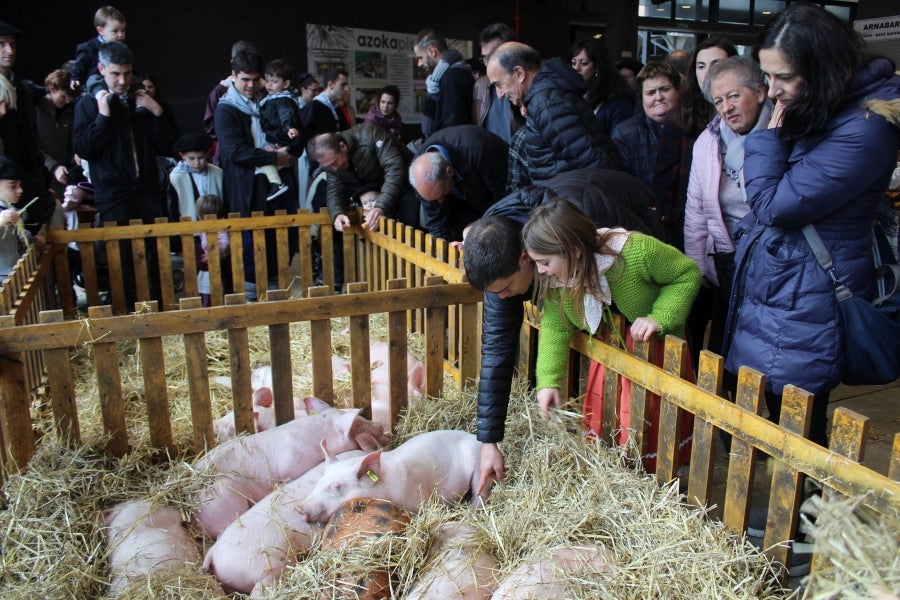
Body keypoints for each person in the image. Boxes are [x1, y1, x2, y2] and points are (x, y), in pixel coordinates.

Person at [724, 3, 900, 449]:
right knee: (774, 405)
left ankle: (801, 511)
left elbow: (774, 204)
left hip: (810, 290)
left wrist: (765, 136)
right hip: (786, 283)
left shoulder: (865, 127)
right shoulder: (827, 105)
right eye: (767, 76)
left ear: (822, 68)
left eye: (784, 77)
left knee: (799, 420)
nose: (772, 91)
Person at [462, 168, 664, 493]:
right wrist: (489, 441)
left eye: (505, 289)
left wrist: (656, 315)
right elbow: (498, 349)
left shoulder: (582, 225)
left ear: (527, 259)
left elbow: (639, 266)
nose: (501, 298)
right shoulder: (497, 254)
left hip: (641, 225)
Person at [522, 197, 700, 472]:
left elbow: (686, 274)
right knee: (609, 419)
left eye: (544, 262)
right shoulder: (559, 281)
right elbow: (556, 328)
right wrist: (548, 381)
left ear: (574, 250)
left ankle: (656, 475)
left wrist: (659, 317)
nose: (540, 270)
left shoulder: (635, 251)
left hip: (653, 352)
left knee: (649, 422)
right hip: (609, 355)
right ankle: (617, 472)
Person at [73, 41, 173, 310]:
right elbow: (83, 148)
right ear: (101, 69)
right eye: (115, 74)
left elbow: (165, 144)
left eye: (127, 73)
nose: (122, 80)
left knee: (154, 254)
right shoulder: (89, 103)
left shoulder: (139, 100)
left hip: (147, 191)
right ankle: (128, 314)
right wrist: (103, 117)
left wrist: (158, 112)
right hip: (114, 196)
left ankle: (160, 312)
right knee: (122, 259)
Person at [683, 56, 771, 360]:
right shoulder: (708, 142)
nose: (726, 107)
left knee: (766, 347)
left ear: (760, 92)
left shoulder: (783, 133)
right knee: (725, 345)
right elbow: (696, 210)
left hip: (772, 264)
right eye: (719, 100)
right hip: (728, 260)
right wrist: (697, 266)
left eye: (734, 96)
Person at [214, 50, 293, 300]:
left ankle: (271, 297)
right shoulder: (226, 109)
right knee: (248, 243)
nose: (250, 85)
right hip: (243, 188)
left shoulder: (260, 102)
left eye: (255, 79)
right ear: (234, 76)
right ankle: (249, 301)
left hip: (265, 185)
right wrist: (273, 157)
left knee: (271, 240)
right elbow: (236, 152)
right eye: (244, 79)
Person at [486, 42, 621, 184]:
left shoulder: (546, 104)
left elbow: (591, 163)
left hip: (573, 198)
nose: (499, 94)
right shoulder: (546, 98)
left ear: (520, 74)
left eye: (498, 84)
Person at [611, 61, 688, 248]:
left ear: (677, 91)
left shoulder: (695, 128)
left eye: (665, 89)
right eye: (651, 93)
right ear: (642, 97)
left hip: (687, 225)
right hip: (643, 228)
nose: (659, 97)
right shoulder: (625, 133)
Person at [408, 124, 508, 242]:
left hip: (496, 188)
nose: (439, 201)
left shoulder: (477, 150)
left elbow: (503, 199)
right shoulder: (420, 172)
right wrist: (443, 249)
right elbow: (435, 221)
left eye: (441, 194)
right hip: (464, 196)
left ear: (449, 171)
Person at [202, 40, 257, 166]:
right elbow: (209, 125)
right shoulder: (221, 90)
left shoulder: (265, 88)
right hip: (232, 152)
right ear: (233, 63)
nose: (250, 85)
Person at [414, 29, 473, 138]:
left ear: (432, 51)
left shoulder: (452, 77)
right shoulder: (449, 76)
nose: (419, 64)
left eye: (420, 57)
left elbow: (453, 125)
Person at [569, 37, 634, 135]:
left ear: (597, 67)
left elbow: (620, 143)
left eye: (584, 63)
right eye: (573, 62)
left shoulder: (619, 102)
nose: (576, 68)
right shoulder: (570, 94)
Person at [259, 58, 302, 200]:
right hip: (275, 137)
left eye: (275, 81)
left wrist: (289, 127)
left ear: (286, 83)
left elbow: (286, 114)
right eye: (267, 80)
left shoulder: (283, 99)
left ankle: (277, 183)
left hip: (278, 137)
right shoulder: (272, 97)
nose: (269, 85)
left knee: (261, 158)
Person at [677, 38, 738, 139]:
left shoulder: (747, 108)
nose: (708, 73)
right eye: (701, 66)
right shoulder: (681, 115)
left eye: (717, 65)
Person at [473, 23, 522, 144]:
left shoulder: (524, 84)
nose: (488, 63)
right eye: (485, 58)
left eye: (493, 56)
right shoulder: (480, 86)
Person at [34, 68, 76, 197]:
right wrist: (53, 166)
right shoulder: (34, 110)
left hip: (62, 178)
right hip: (38, 177)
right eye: (63, 96)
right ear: (53, 89)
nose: (67, 101)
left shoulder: (69, 113)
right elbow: (31, 145)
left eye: (70, 97)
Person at [168, 131, 224, 223]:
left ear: (207, 154)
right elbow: (172, 206)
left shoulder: (217, 173)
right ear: (182, 155)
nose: (197, 163)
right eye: (191, 159)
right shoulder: (176, 177)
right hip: (190, 228)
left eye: (201, 158)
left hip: (216, 225)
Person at [70, 6, 127, 95]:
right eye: (115, 31)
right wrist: (75, 78)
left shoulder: (123, 48)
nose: (120, 35)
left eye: (123, 31)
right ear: (101, 30)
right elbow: (79, 66)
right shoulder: (88, 48)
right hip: (95, 90)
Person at [299, 68, 352, 151]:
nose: (347, 89)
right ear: (331, 84)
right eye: (343, 85)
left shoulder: (338, 109)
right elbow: (305, 138)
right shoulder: (313, 107)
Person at [194, 193, 231, 307]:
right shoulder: (204, 227)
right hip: (207, 269)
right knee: (207, 292)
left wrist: (213, 254)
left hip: (218, 266)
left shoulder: (220, 227)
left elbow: (224, 243)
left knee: (217, 292)